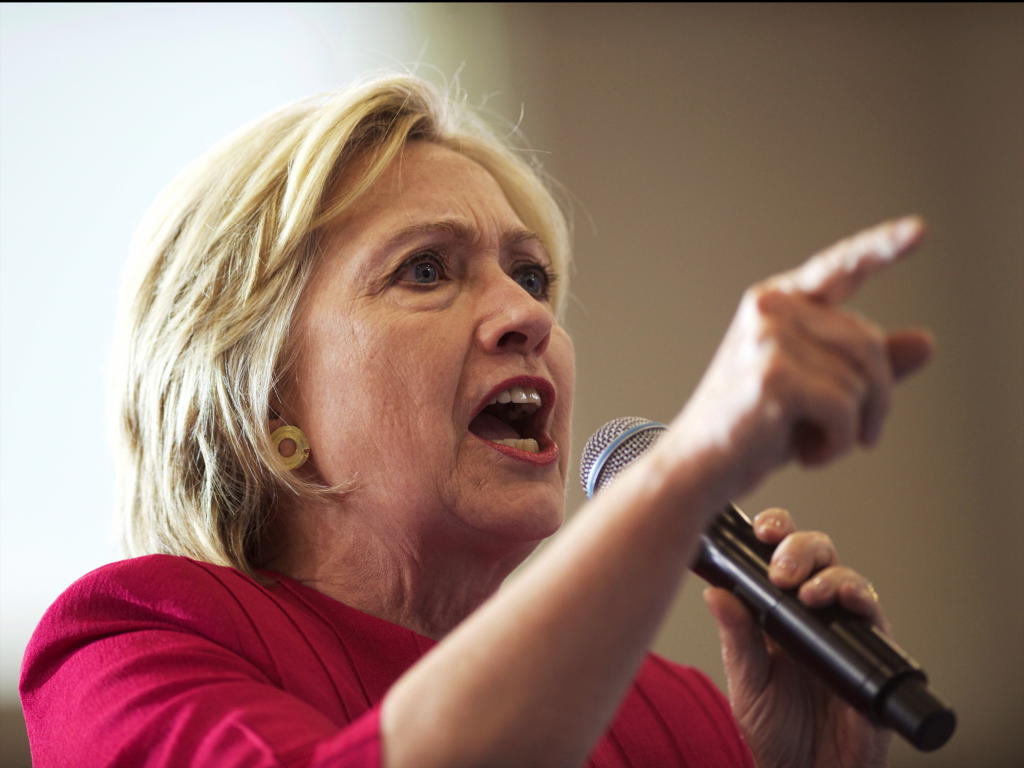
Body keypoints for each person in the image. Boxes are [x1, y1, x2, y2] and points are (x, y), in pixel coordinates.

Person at [20, 74, 933, 768]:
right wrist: (678, 479)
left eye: (531, 276)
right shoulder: (127, 648)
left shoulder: (673, 713)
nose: (529, 316)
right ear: (263, 401)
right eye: (426, 270)